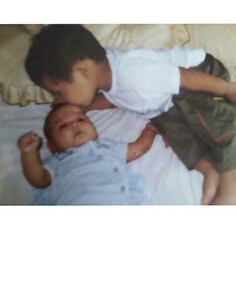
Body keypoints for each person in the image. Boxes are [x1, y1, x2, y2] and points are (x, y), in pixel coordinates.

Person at [25, 24, 236, 205]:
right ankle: (209, 170)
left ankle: (230, 175)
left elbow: (185, 77)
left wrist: (227, 89)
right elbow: (113, 99)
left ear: (82, 72)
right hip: (166, 100)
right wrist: (81, 108)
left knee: (212, 119)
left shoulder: (134, 73)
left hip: (199, 77)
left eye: (58, 92)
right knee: (171, 130)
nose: (58, 99)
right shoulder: (106, 80)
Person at [17, 103, 157, 205]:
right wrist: (29, 153)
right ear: (52, 146)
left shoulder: (108, 148)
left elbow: (139, 148)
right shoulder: (57, 162)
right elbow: (38, 179)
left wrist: (151, 129)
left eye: (81, 119)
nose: (75, 125)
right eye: (63, 125)